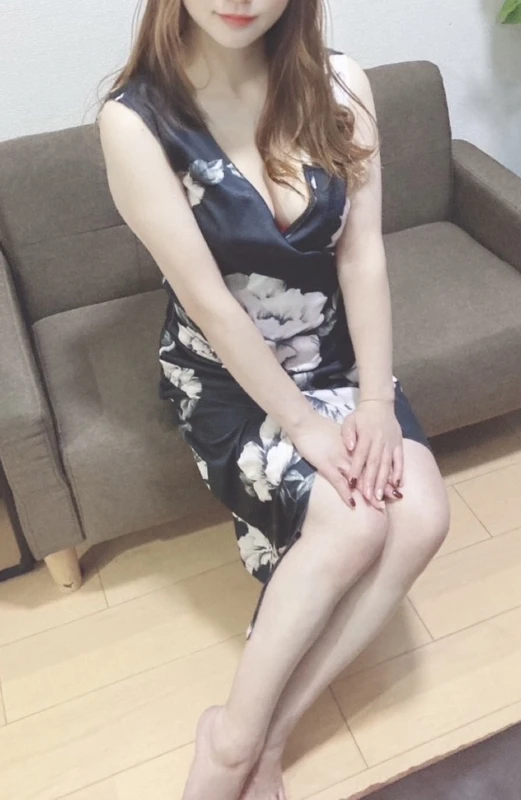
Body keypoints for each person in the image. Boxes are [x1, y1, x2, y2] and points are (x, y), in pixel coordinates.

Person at [98, 2, 450, 798]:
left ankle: (268, 733)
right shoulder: (136, 122)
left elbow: (361, 259)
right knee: (355, 523)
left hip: (334, 357)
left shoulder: (343, 86)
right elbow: (210, 303)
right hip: (226, 374)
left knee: (423, 516)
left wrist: (372, 403)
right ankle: (229, 748)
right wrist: (302, 424)